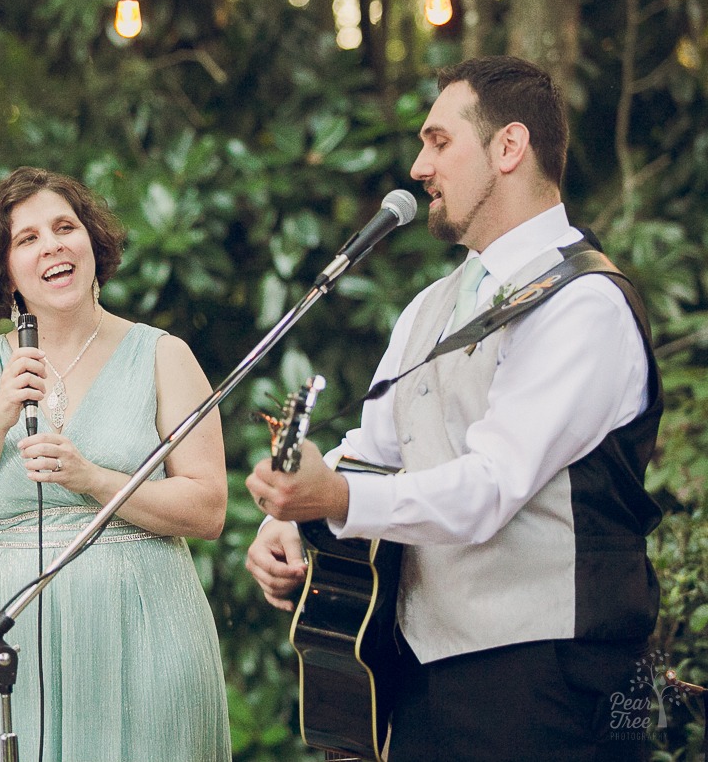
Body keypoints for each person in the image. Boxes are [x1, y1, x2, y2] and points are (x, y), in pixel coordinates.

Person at [245, 55, 662, 762]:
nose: (417, 166)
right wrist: (294, 514)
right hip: (420, 677)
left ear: (509, 147)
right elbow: (379, 446)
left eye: (438, 142)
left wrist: (337, 494)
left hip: (554, 678)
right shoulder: (428, 308)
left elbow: (490, 487)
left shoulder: (586, 305)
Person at [0, 167, 230, 762]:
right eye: (26, 238)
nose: (53, 245)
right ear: (4, 270)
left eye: (65, 227)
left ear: (92, 242)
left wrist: (93, 478)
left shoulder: (163, 355)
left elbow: (209, 507)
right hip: (11, 651)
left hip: (144, 640)